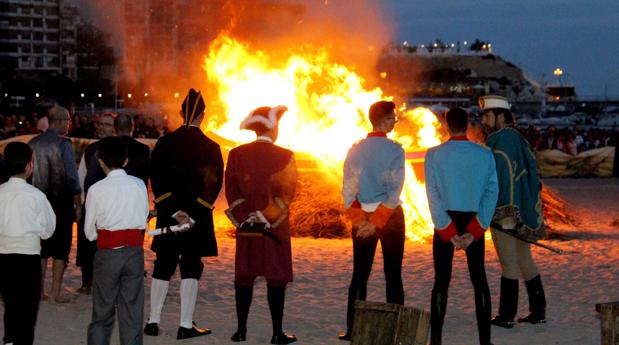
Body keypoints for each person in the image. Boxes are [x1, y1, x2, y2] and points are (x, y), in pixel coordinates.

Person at [144, 89, 224, 340]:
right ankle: (185, 324)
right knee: (191, 265)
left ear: (180, 113)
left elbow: (156, 179)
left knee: (163, 264)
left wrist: (174, 211)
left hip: (170, 213)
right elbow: (213, 185)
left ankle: (153, 322)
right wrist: (193, 213)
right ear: (203, 115)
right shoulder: (211, 146)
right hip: (196, 218)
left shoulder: (165, 143)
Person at [424, 108, 498, 345]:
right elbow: (492, 191)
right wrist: (476, 229)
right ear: (467, 125)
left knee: (441, 282)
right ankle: (485, 341)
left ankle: (436, 340)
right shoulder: (484, 154)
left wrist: (447, 230)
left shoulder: (433, 155)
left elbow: (432, 194)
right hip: (473, 217)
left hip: (446, 217)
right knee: (480, 281)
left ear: (446, 125)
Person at [225, 105, 298, 344]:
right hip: (273, 227)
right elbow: (287, 194)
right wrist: (266, 217)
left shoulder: (236, 154)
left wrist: (248, 217)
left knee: (244, 276)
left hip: (247, 226)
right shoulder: (286, 155)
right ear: (273, 126)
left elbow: (232, 192)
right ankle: (277, 333)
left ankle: (240, 331)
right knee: (275, 278)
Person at [339, 101, 406, 341]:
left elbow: (348, 191)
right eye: (393, 118)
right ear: (385, 119)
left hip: (362, 217)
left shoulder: (355, 149)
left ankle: (352, 329)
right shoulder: (395, 150)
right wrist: (378, 222)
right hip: (390, 218)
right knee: (393, 274)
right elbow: (394, 192)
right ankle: (397, 329)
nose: (395, 122)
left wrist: (362, 222)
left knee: (359, 275)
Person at [479, 95, 547, 328]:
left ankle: (507, 316)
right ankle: (539, 311)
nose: (484, 121)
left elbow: (502, 179)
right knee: (524, 259)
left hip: (505, 212)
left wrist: (503, 212)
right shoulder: (518, 138)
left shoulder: (499, 141)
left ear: (500, 116)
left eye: (487, 116)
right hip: (523, 210)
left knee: (508, 263)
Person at [84, 137, 149, 345]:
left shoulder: (96, 189)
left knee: (102, 312)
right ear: (126, 161)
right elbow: (143, 219)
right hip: (134, 253)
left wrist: (99, 236)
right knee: (132, 311)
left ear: (101, 162)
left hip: (108, 253)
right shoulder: (139, 184)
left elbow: (88, 231)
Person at [0, 142, 56, 345]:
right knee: (28, 310)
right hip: (28, 258)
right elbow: (49, 229)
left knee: (11, 304)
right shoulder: (37, 196)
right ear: (29, 166)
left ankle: (9, 340)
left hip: (4, 256)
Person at [29, 105, 82, 303]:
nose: (69, 124)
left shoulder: (33, 143)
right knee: (60, 249)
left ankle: (39, 291)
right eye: (68, 120)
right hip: (61, 203)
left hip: (38, 202)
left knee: (42, 247)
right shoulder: (63, 145)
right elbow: (71, 177)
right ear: (59, 121)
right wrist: (78, 202)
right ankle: (55, 292)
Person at [76, 112, 117, 294]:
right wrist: (82, 205)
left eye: (107, 124)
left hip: (112, 207)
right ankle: (87, 282)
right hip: (91, 205)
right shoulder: (90, 149)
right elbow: (81, 178)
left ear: (114, 128)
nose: (102, 127)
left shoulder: (120, 149)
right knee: (87, 245)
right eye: (100, 124)